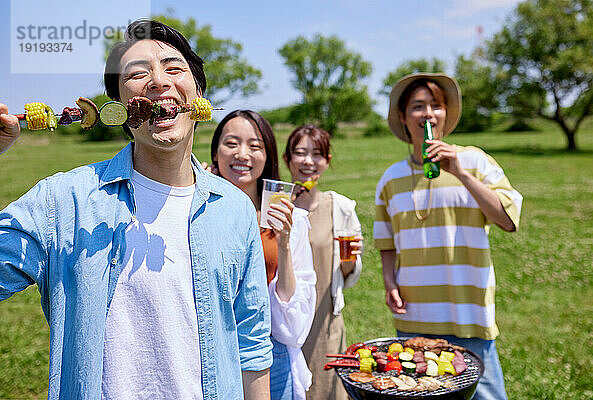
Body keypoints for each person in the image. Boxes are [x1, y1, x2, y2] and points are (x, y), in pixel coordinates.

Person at [0, 20, 272, 399]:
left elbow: (252, 341)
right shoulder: (62, 201)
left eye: (174, 68)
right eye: (137, 73)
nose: (159, 81)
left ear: (198, 91)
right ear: (119, 107)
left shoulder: (236, 209)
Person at [374, 73, 522, 400]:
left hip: (466, 315)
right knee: (420, 393)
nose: (427, 114)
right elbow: (386, 241)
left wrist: (461, 173)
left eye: (435, 105)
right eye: (417, 106)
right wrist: (389, 282)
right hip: (414, 318)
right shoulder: (391, 178)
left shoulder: (475, 161)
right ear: (403, 117)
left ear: (444, 114)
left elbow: (508, 219)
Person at [208, 110, 317, 400]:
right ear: (215, 153)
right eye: (231, 144)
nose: (242, 154)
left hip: (272, 355)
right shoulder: (194, 214)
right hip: (209, 353)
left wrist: (282, 243)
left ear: (267, 155)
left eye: (255, 146)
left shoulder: (291, 221)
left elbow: (293, 327)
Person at [282, 125, 362, 400]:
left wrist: (351, 257)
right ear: (287, 159)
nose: (308, 161)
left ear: (327, 161)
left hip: (324, 321)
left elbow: (348, 274)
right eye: (300, 153)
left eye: (317, 154)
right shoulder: (276, 206)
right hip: (285, 324)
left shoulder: (340, 208)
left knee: (328, 390)